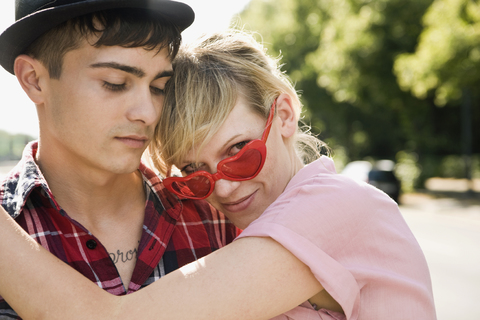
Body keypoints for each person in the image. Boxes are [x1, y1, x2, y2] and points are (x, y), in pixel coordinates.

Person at [0, 31, 437, 320]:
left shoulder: (336, 209)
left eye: (238, 153)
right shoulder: (243, 227)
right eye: (195, 176)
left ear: (283, 114)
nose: (223, 188)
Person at [0, 1, 237, 319]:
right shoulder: (9, 227)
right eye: (115, 83)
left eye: (158, 87)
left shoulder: (216, 216)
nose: (148, 113)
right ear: (34, 79)